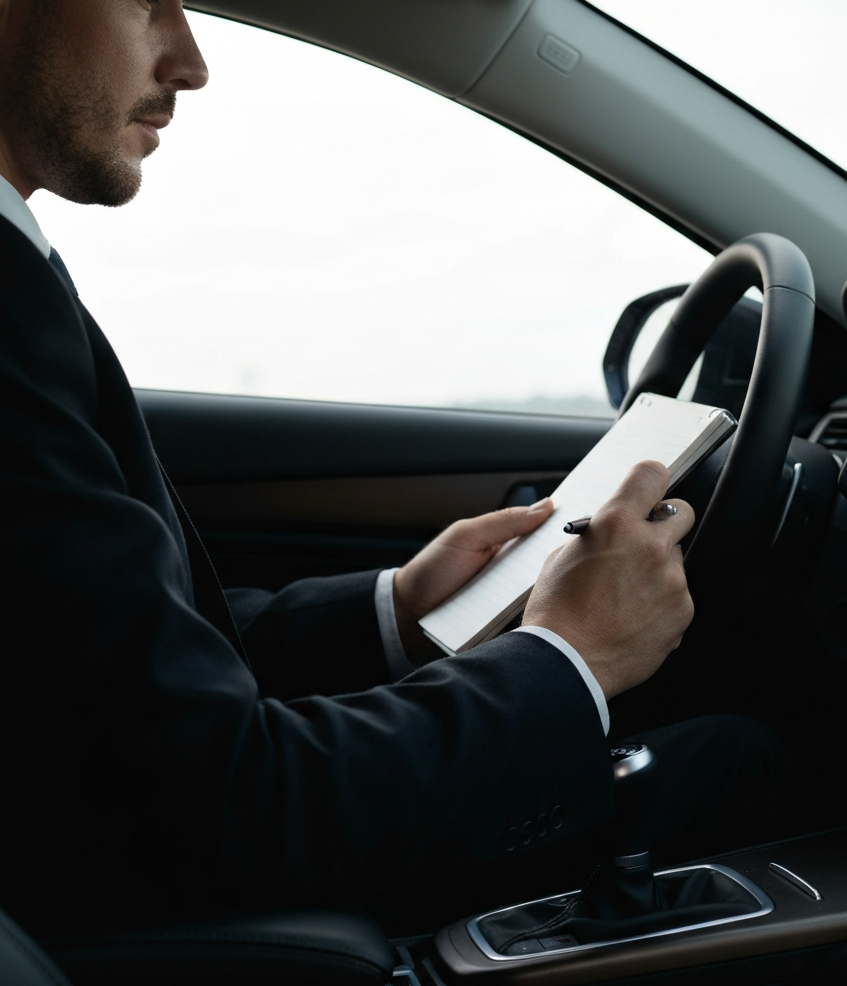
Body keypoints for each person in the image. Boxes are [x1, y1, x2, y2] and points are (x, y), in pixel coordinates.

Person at [0, 0, 799, 938]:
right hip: (167, 941)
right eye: (145, 3)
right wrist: (569, 657)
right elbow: (224, 800)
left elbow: (111, 671)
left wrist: (399, 615)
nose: (190, 60)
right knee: (743, 766)